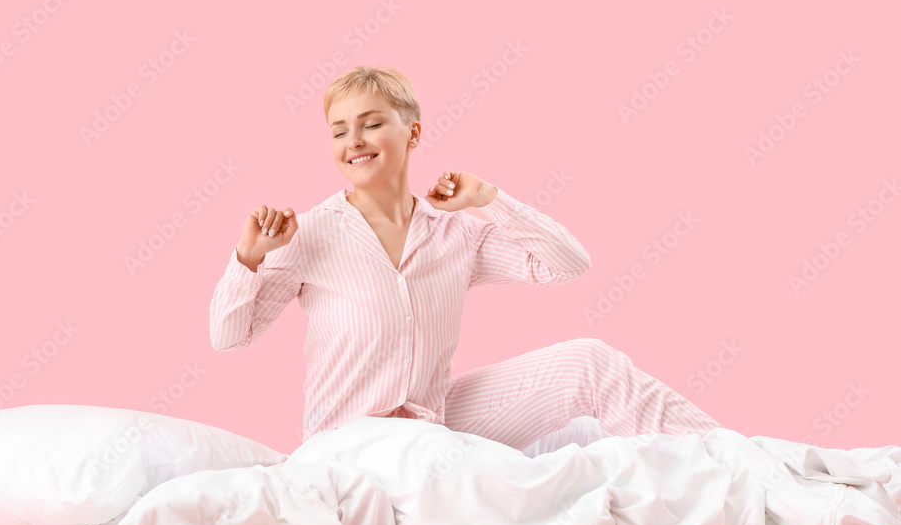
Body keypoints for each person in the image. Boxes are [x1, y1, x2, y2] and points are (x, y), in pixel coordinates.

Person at [209, 65, 723, 452]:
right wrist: (247, 260)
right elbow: (229, 337)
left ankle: (731, 457)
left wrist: (489, 199)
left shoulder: (454, 234)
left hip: (435, 425)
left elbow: (567, 264)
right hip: (352, 447)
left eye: (370, 124)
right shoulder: (307, 234)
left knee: (589, 361)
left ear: (412, 133)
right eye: (340, 130)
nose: (354, 141)